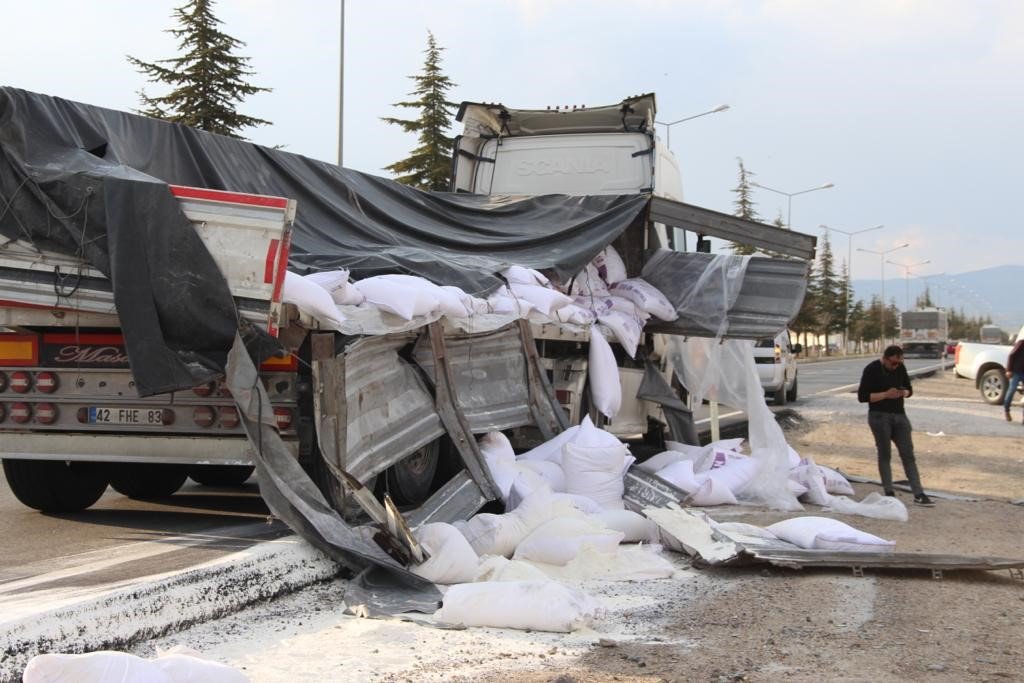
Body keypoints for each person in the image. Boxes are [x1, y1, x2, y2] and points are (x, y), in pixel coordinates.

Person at [857, 345, 934, 506]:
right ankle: (889, 491)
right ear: (884, 359)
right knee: (885, 454)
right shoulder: (872, 369)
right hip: (879, 416)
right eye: (893, 363)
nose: (896, 366)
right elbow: (863, 397)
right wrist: (886, 394)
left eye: (899, 363)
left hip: (900, 416)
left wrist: (903, 393)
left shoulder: (900, 368)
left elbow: (909, 389)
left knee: (908, 455)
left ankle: (918, 493)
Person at [1004, 336, 1024, 423]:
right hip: (1016, 371)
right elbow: (1011, 355)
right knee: (1012, 389)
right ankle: (1007, 410)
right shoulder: (1021, 343)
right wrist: (1008, 370)